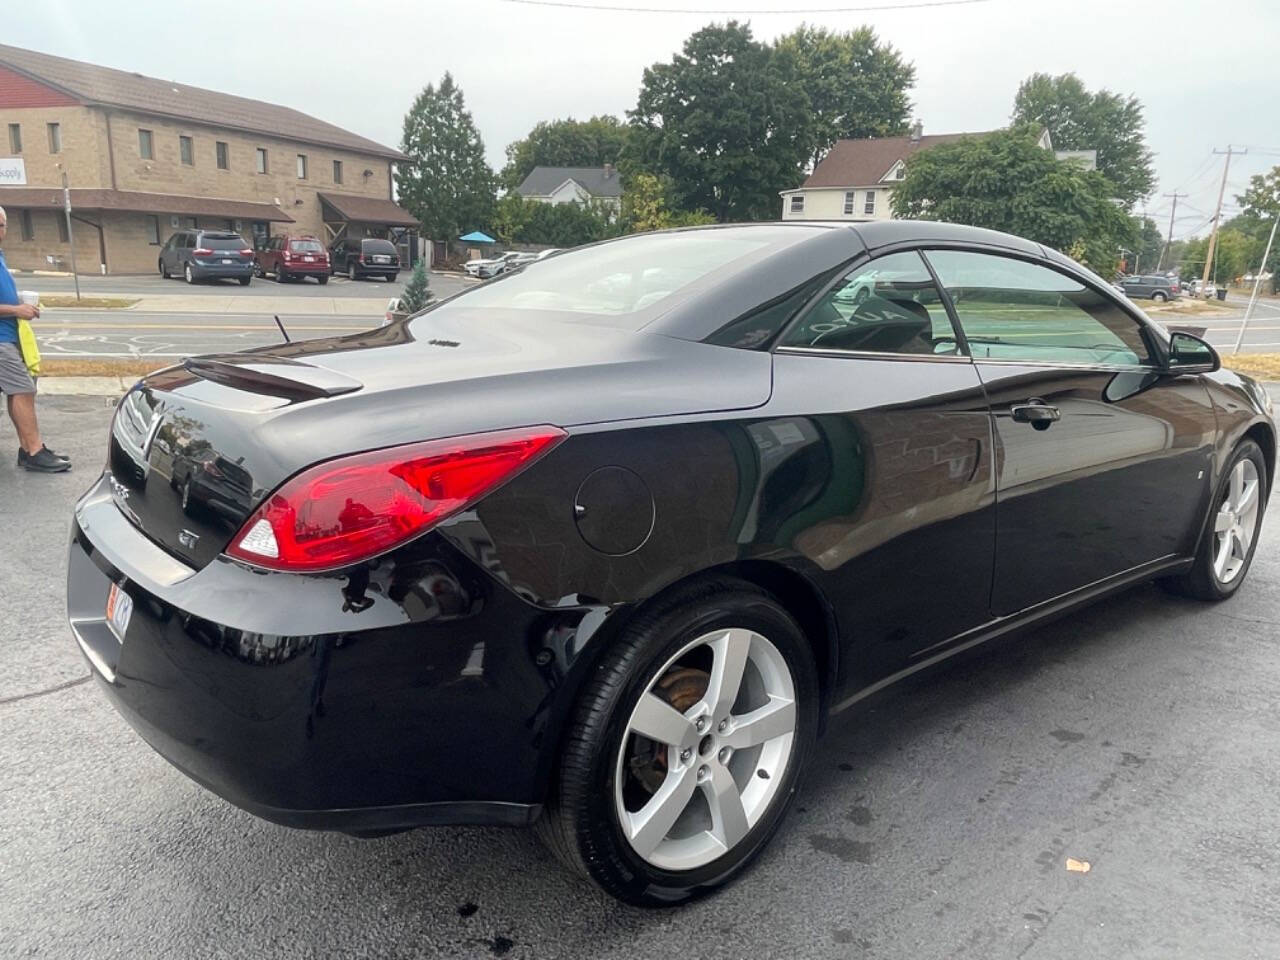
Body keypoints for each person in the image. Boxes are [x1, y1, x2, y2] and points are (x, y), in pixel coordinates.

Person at [0, 205, 71, 473]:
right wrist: (16, 309)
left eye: (1, 225)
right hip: (0, 339)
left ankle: (27, 448)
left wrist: (18, 304)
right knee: (23, 389)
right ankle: (34, 451)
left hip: (9, 335)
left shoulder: (1, 255)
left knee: (20, 389)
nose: (1, 230)